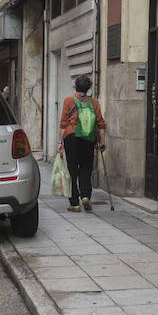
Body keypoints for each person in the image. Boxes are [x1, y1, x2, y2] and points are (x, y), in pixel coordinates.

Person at [58, 75, 106, 213]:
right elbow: (100, 124)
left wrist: (60, 142)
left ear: (76, 86)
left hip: (71, 136)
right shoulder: (94, 102)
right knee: (86, 167)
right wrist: (102, 142)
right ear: (88, 88)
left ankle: (74, 203)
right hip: (88, 138)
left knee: (72, 169)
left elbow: (63, 123)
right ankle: (85, 196)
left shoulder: (68, 100)